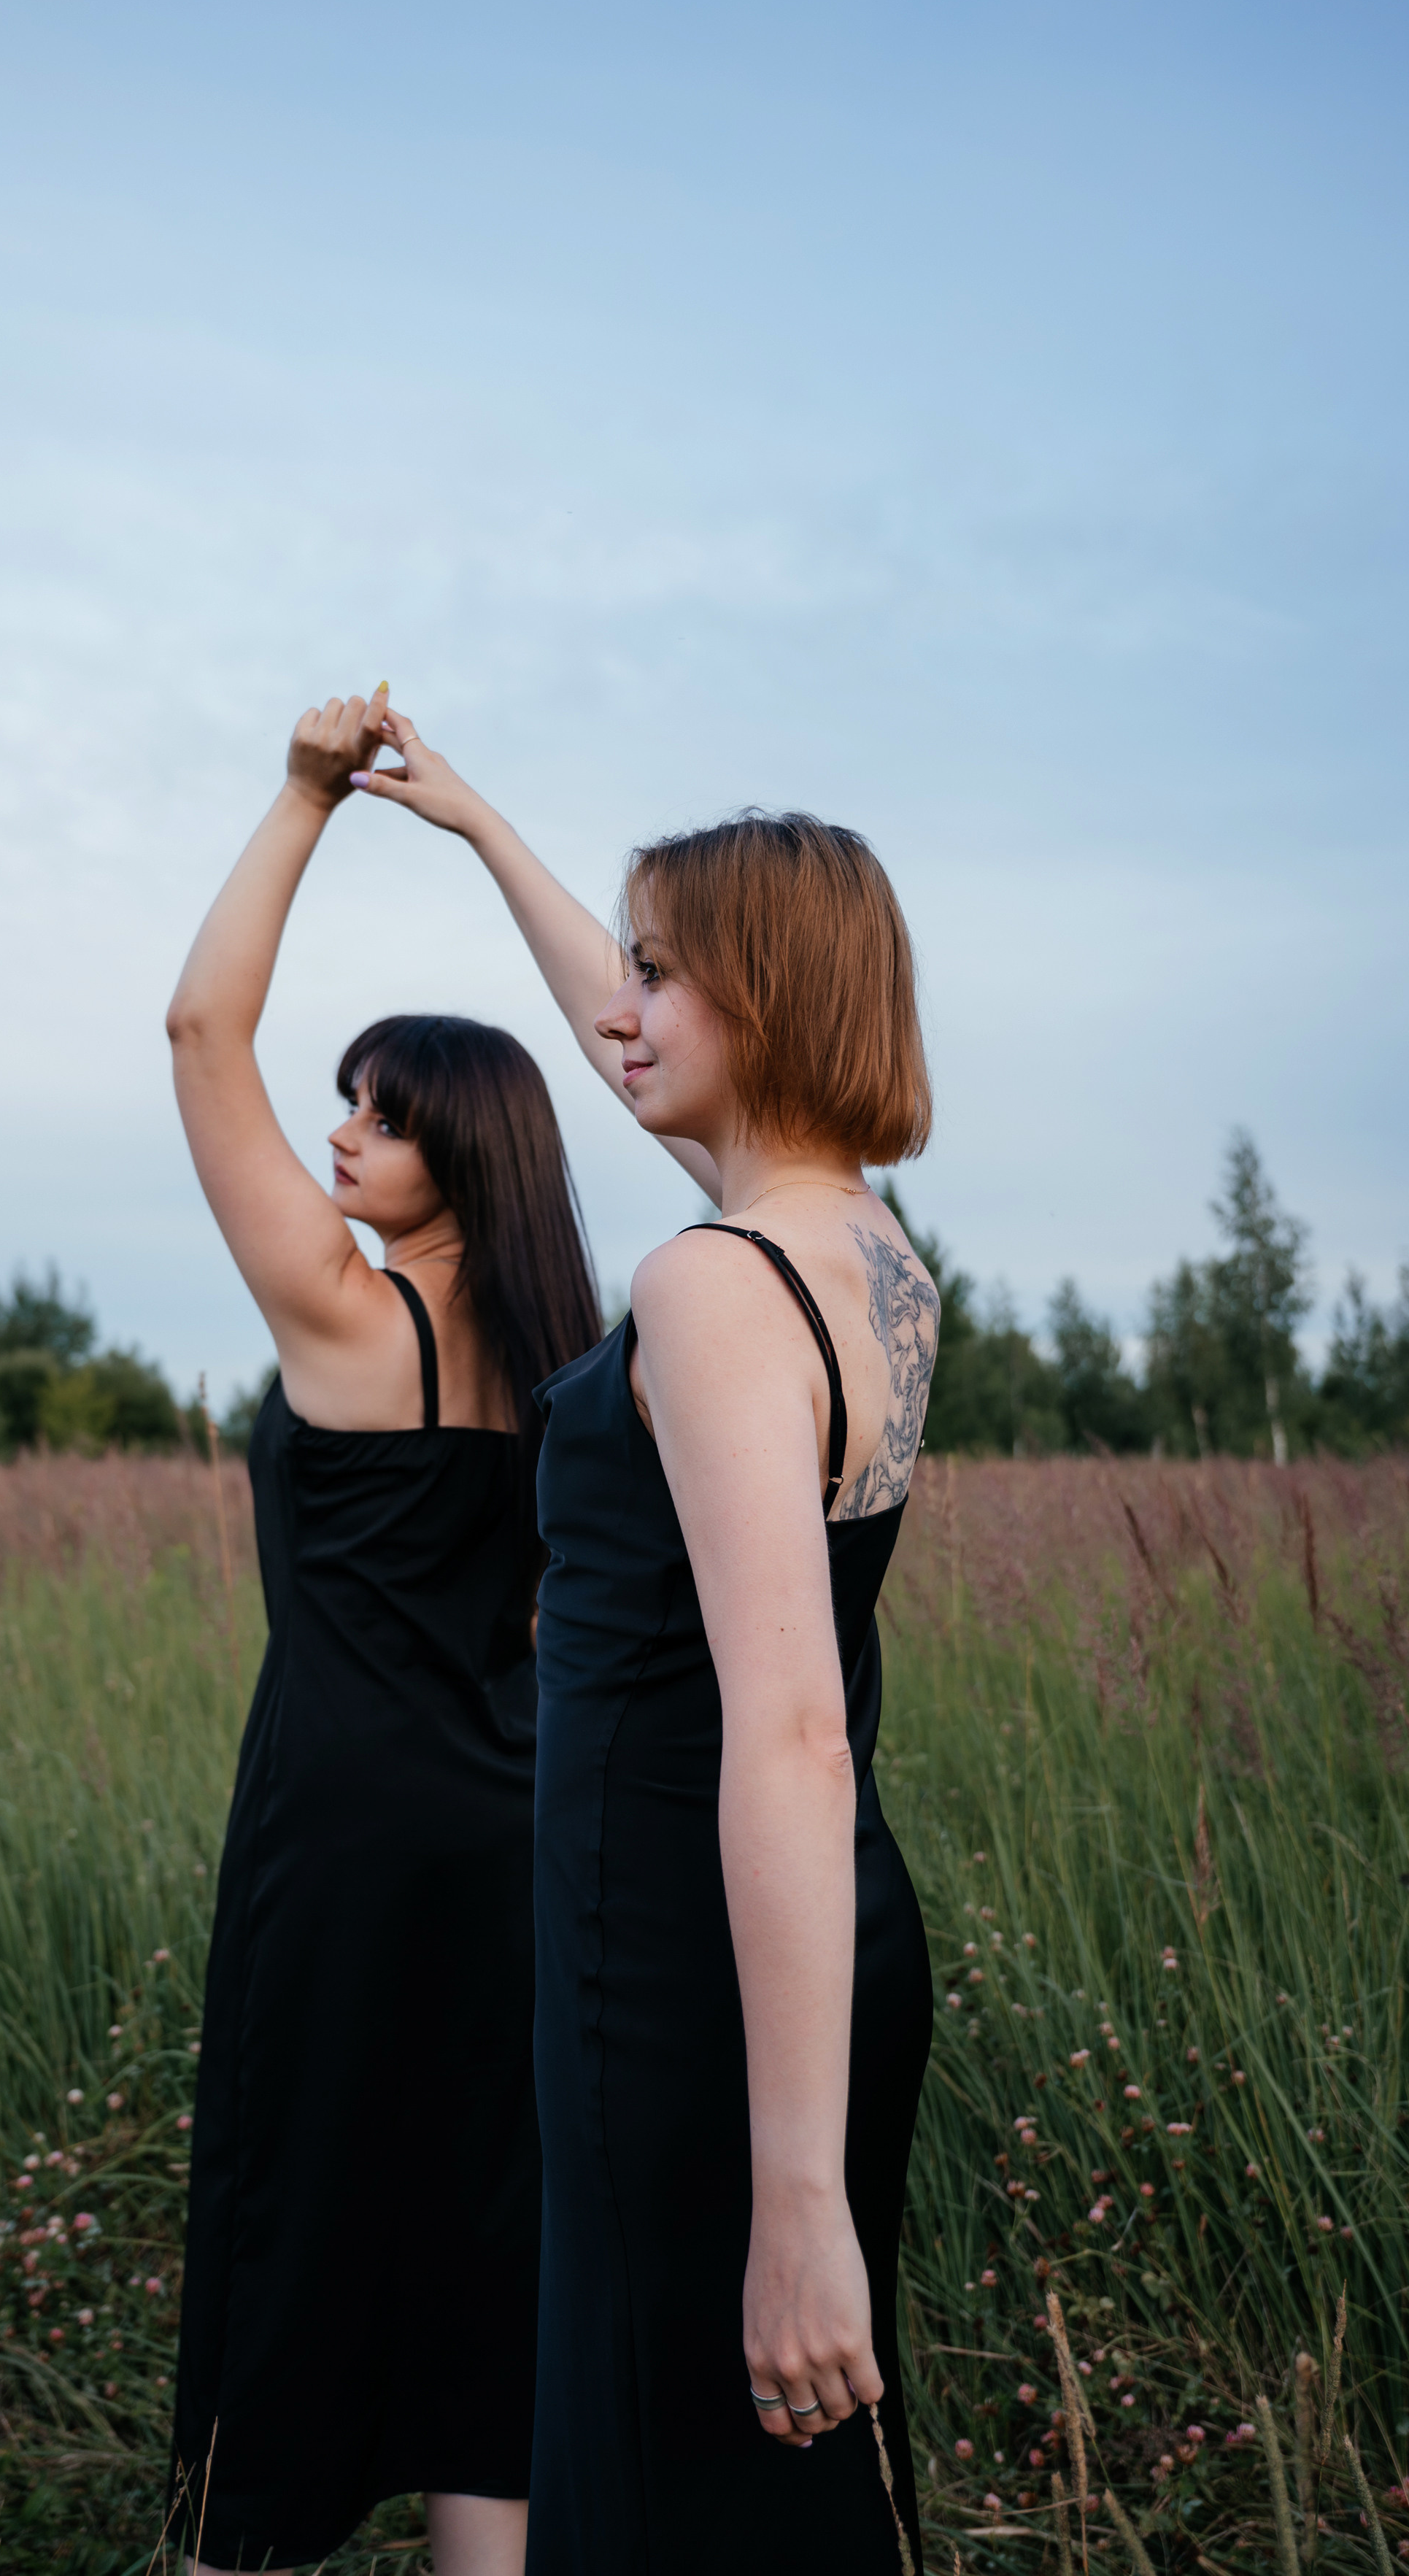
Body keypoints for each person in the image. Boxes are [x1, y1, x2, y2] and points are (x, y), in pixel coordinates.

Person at [352, 716, 939, 2572]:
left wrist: (796, 2194)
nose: (623, 1008)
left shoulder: (710, 1286)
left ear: (759, 999)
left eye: (662, 969)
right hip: (810, 1932)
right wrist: (478, 832)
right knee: (766, 2489)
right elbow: (639, 1051)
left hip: (687, 1962)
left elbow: (787, 1731)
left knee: (682, 2471)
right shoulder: (868, 1256)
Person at [165, 687, 600, 2576]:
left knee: (296, 2221)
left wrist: (300, 798)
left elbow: (199, 1031)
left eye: (381, 1113)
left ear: (460, 1159)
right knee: (477, 2258)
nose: (342, 1134)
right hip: (508, 1840)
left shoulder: (358, 1325)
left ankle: (237, 2546)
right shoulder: (561, 1361)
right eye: (343, 1101)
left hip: (340, 1838)